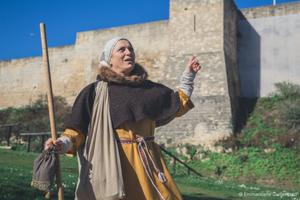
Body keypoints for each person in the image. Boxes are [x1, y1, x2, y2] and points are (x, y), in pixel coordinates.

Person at [44, 37, 201, 200]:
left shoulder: (149, 89)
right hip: (111, 165)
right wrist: (62, 144)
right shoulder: (95, 92)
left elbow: (176, 103)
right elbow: (76, 130)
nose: (129, 52)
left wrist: (188, 76)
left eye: (131, 49)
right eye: (122, 49)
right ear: (109, 59)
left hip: (148, 164)